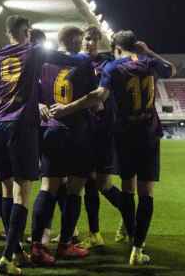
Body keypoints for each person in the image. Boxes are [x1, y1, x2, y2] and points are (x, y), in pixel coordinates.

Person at [0, 15, 83, 275]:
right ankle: (8, 256)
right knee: (22, 192)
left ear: (7, 32)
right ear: (26, 31)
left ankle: (15, 247)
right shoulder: (33, 50)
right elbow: (70, 60)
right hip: (21, 126)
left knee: (6, 189)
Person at [50, 30, 175, 266]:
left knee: (126, 188)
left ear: (115, 48)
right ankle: (137, 248)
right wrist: (147, 51)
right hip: (149, 133)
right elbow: (170, 69)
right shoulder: (148, 63)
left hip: (124, 134)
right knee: (146, 193)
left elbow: (99, 95)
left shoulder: (113, 67)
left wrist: (67, 108)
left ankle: (127, 232)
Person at [29, 26, 95, 266]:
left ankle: (37, 245)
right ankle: (65, 244)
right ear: (74, 40)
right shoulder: (84, 62)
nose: (82, 44)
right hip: (76, 132)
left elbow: (31, 92)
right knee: (75, 189)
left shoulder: (44, 64)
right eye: (80, 40)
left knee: (47, 188)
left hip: (49, 131)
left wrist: (38, 105)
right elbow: (94, 100)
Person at [78, 26, 126, 248]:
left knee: (103, 184)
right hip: (84, 131)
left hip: (104, 130)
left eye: (94, 40)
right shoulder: (76, 63)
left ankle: (130, 215)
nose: (90, 43)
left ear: (100, 42)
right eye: (87, 39)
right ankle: (94, 233)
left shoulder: (107, 65)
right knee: (88, 183)